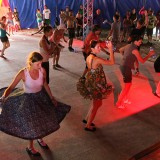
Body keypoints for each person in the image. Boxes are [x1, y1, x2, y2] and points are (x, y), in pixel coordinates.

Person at [0, 51, 71, 156]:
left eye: (41, 63)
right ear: (30, 63)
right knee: (32, 125)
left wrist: (51, 98)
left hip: (41, 98)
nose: (40, 66)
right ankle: (30, 147)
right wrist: (3, 97)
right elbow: (11, 87)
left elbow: (45, 84)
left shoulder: (42, 70)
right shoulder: (23, 73)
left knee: (41, 120)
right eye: (37, 64)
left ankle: (39, 138)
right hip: (28, 101)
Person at [77, 40, 115, 131]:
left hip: (90, 81)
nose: (100, 49)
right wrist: (110, 49)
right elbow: (112, 62)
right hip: (95, 84)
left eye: (100, 47)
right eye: (98, 47)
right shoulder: (96, 59)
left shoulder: (89, 56)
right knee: (97, 104)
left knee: (95, 103)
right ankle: (88, 126)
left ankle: (87, 119)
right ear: (92, 48)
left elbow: (89, 69)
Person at [116, 35, 155, 109]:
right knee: (127, 86)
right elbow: (142, 61)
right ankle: (118, 103)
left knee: (128, 85)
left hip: (123, 66)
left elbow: (120, 49)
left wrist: (125, 57)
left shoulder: (129, 45)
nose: (141, 43)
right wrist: (149, 55)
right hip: (126, 68)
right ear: (135, 41)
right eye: (140, 42)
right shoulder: (135, 50)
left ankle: (124, 99)